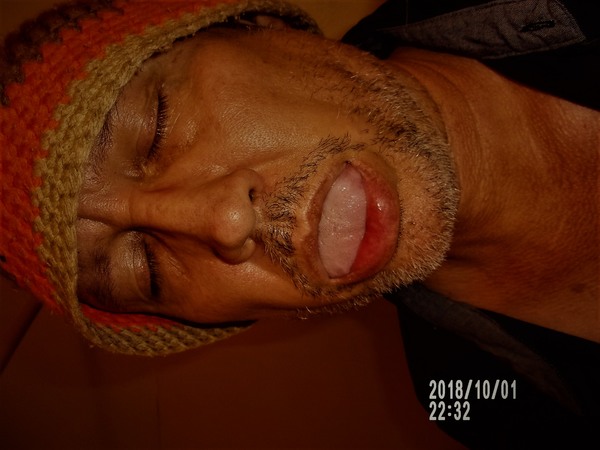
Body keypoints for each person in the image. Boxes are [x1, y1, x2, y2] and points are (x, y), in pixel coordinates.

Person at [1, 0, 598, 448]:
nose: (224, 222)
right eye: (148, 272)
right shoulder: (465, 402)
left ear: (257, 23)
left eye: (156, 126)